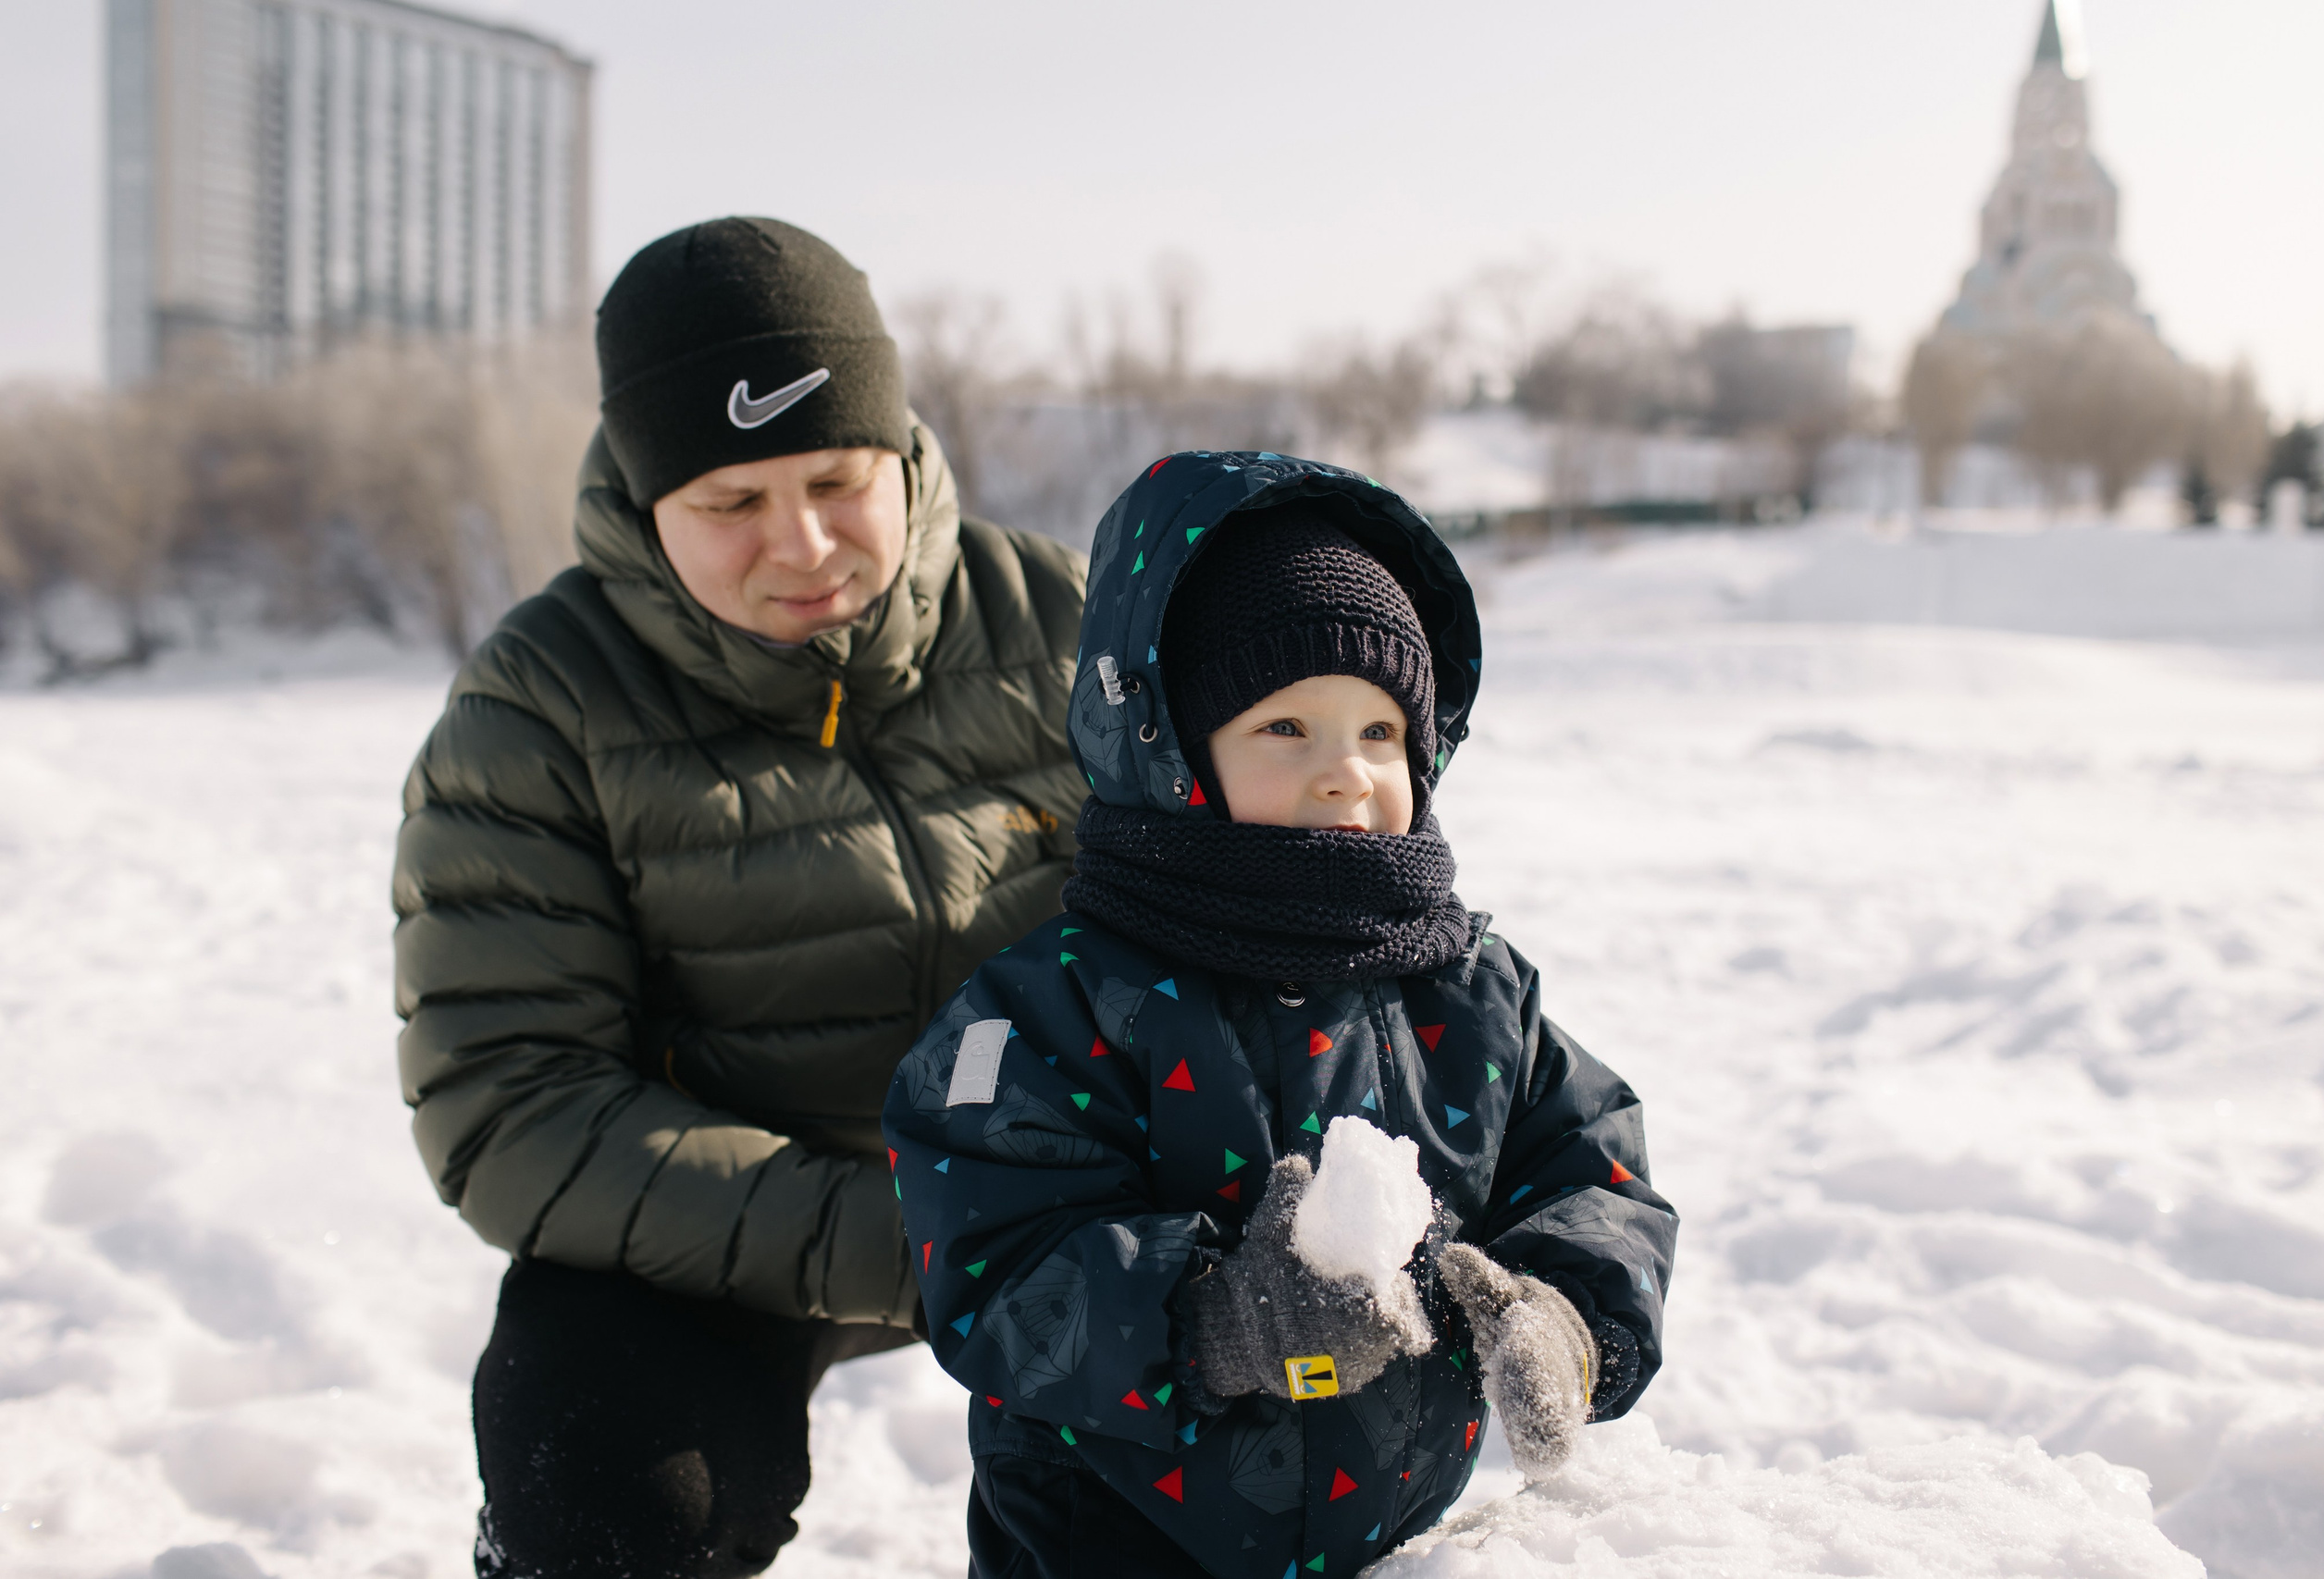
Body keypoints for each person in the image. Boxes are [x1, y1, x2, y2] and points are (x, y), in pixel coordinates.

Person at [392, 217, 1088, 1577]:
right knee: (612, 1495)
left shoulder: (1065, 620)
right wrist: (915, 1242)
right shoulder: (536, 708)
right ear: (649, 502)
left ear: (900, 451)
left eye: (838, 476)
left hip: (1077, 1198)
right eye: (732, 502)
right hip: (730, 1225)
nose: (805, 543)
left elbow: (1267, 906)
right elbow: (512, 1102)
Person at [881, 450, 1677, 1578]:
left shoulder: (1471, 990)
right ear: (1170, 751)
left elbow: (1591, 1171)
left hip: (1388, 1540)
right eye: (1285, 730)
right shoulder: (1050, 1005)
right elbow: (991, 1261)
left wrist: (1564, 1318)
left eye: (1380, 734)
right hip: (1106, 1537)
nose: (1345, 774)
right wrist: (1213, 1314)